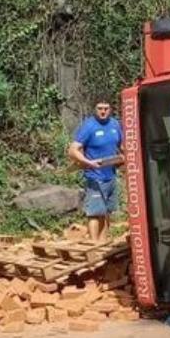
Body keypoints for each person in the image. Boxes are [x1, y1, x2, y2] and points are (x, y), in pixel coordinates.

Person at [68, 100, 123, 242]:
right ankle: (94, 245)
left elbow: (121, 145)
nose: (103, 111)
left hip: (110, 176)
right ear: (95, 109)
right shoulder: (89, 126)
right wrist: (89, 162)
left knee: (105, 212)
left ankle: (102, 244)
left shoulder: (115, 124)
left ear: (110, 109)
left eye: (106, 108)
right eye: (100, 108)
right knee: (94, 213)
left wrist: (124, 157)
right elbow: (73, 150)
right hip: (94, 177)